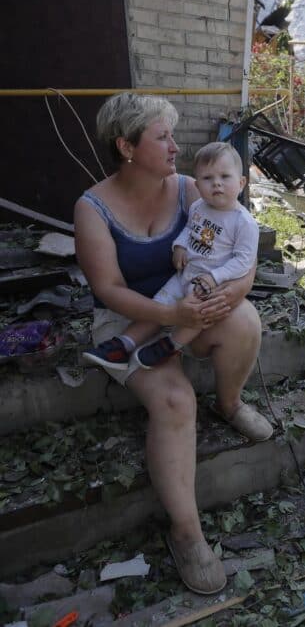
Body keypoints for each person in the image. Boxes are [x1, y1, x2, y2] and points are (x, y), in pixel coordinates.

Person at [74, 93, 272, 595]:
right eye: (162, 136)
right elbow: (109, 290)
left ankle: (229, 403)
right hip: (130, 320)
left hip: (190, 304)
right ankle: (186, 532)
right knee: (176, 399)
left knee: (245, 319)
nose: (175, 146)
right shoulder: (92, 207)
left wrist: (223, 296)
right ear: (126, 146)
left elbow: (241, 259)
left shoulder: (191, 190)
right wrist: (170, 315)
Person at [82, 141, 259, 371]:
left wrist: (215, 277)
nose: (216, 183)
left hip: (211, 285)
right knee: (160, 304)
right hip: (184, 274)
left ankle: (169, 345)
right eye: (207, 178)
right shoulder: (198, 207)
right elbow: (189, 230)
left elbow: (244, 261)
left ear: (242, 182)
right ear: (198, 184)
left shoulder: (243, 222)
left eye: (225, 176)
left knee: (200, 314)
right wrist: (180, 247)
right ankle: (122, 344)